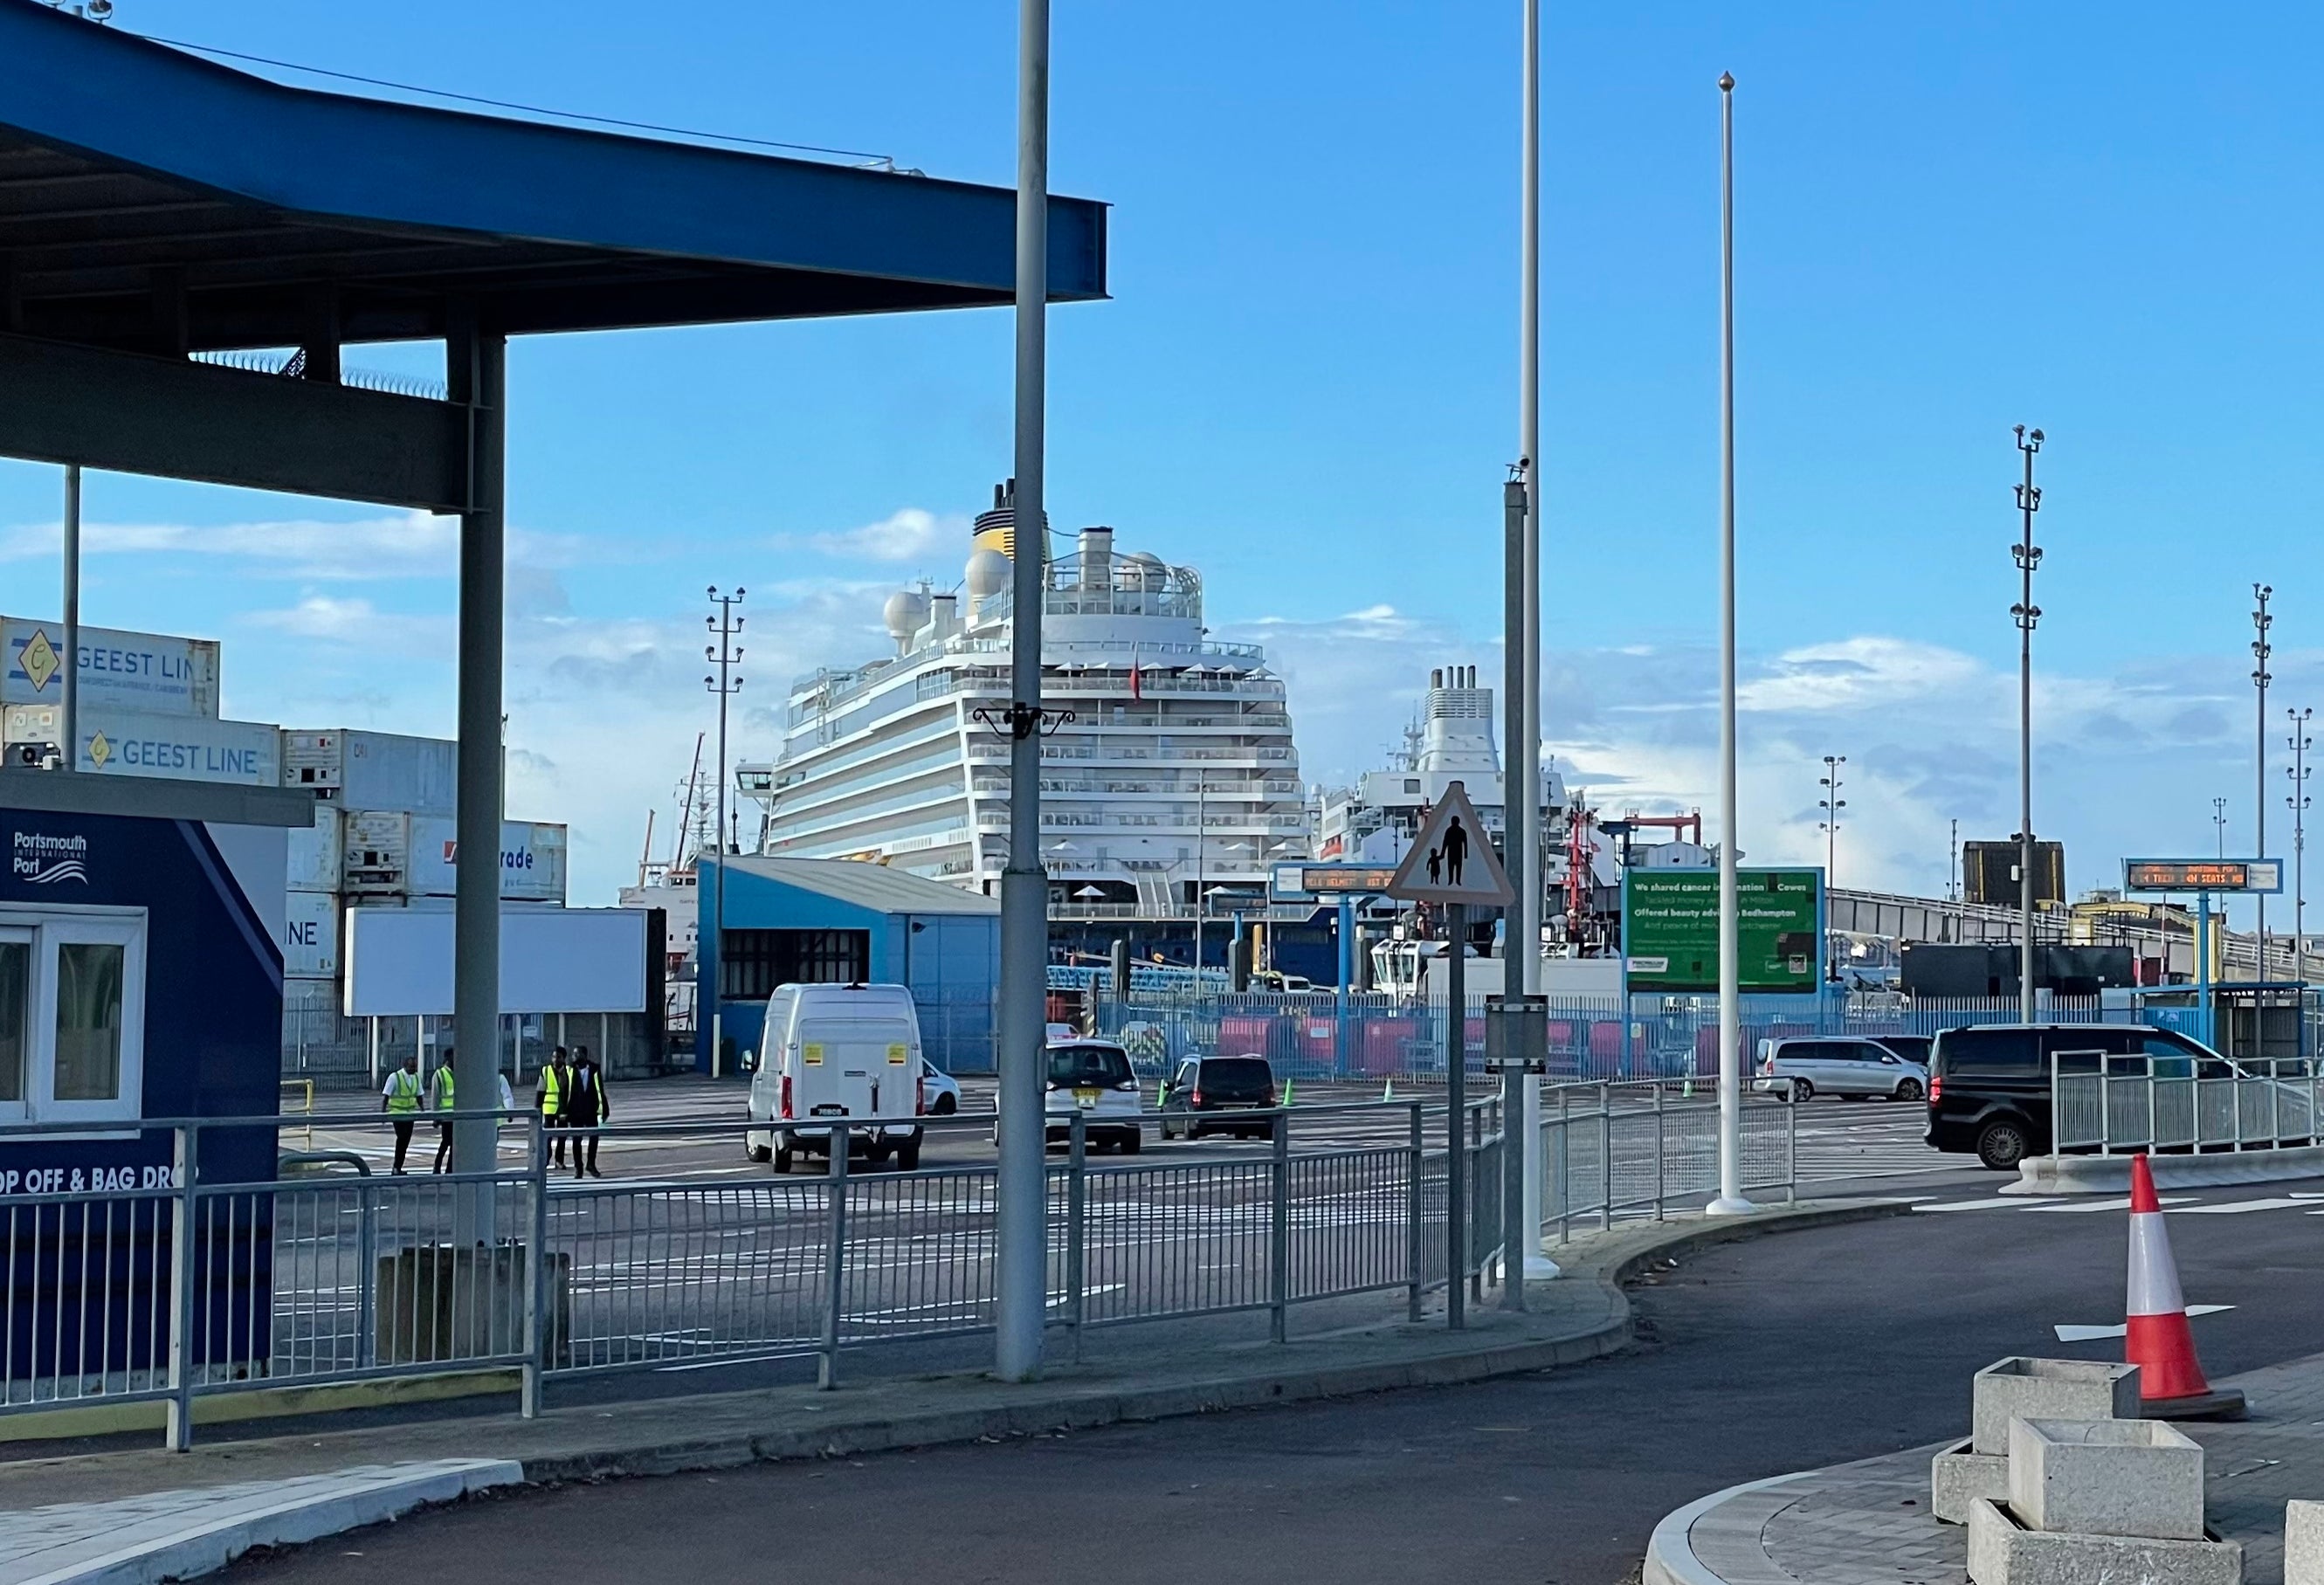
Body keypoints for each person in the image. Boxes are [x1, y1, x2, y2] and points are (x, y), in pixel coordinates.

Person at [562, 1046, 609, 1180]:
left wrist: (604, 1109)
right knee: (577, 1140)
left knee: (594, 1137)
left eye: (576, 1054)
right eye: (573, 1054)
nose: (573, 1056)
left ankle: (591, 1164)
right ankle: (578, 1167)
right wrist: (563, 1111)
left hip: (590, 1109)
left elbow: (600, 1089)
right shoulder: (569, 1069)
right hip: (575, 1110)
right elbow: (565, 1091)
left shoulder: (594, 1069)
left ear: (584, 1055)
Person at [382, 1052, 424, 1175]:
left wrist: (423, 1110)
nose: (414, 1069)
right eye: (411, 1067)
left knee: (406, 1141)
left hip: (410, 1114)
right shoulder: (395, 1077)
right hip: (397, 1113)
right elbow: (386, 1096)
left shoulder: (416, 1077)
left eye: (415, 1067)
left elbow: (419, 1095)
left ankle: (398, 1167)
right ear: (405, 1066)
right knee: (402, 1139)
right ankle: (396, 1167)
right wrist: (383, 1113)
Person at [536, 1046, 570, 1168]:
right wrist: (537, 1109)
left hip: (564, 1110)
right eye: (554, 1057)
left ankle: (559, 1161)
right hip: (549, 1109)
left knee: (562, 1137)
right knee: (548, 1136)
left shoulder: (569, 1072)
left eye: (559, 1057)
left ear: (564, 1059)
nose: (555, 1060)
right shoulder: (545, 1071)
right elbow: (540, 1091)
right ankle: (546, 1158)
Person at [430, 1046, 457, 1174]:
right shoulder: (439, 1074)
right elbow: (435, 1096)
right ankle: (437, 1165)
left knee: (454, 1144)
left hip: (457, 1115)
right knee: (446, 1141)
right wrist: (436, 1117)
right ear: (449, 1058)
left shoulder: (459, 1073)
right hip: (445, 1115)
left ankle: (450, 1168)